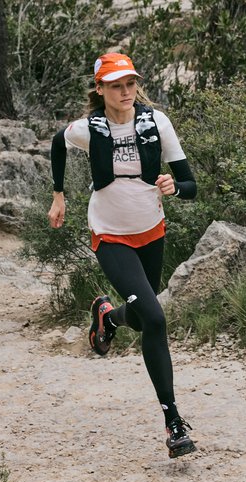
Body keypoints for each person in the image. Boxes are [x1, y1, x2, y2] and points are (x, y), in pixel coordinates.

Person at [48, 52, 197, 459]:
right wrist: (58, 195)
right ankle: (174, 423)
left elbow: (190, 183)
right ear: (100, 90)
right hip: (111, 236)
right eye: (116, 85)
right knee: (155, 317)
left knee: (141, 312)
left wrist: (174, 187)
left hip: (151, 231)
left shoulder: (156, 122)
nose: (125, 91)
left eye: (130, 83)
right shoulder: (88, 129)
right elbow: (57, 143)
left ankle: (108, 316)